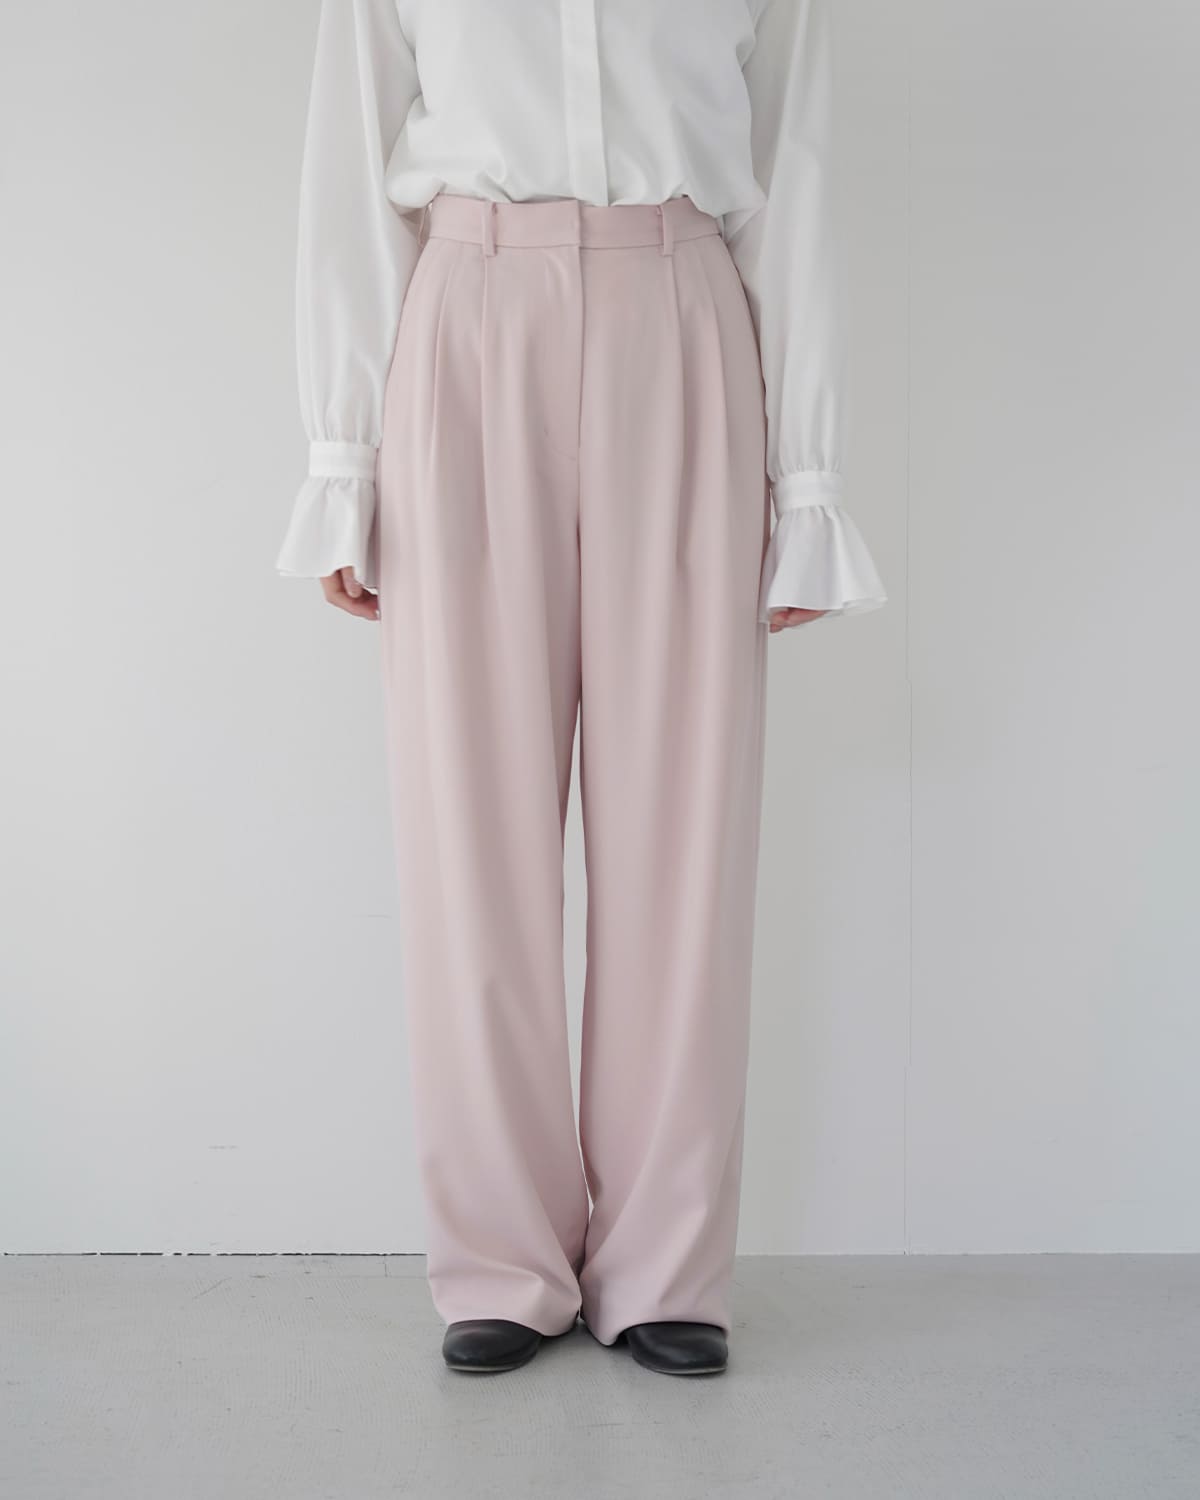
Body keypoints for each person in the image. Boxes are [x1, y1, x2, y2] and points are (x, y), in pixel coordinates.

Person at [276, 0, 887, 1378]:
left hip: (684, 311)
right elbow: (349, 164)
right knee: (468, 828)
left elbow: (793, 176)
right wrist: (341, 459)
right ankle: (499, 1259)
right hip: (466, 317)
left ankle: (666, 1266)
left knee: (684, 828)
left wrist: (809, 482)